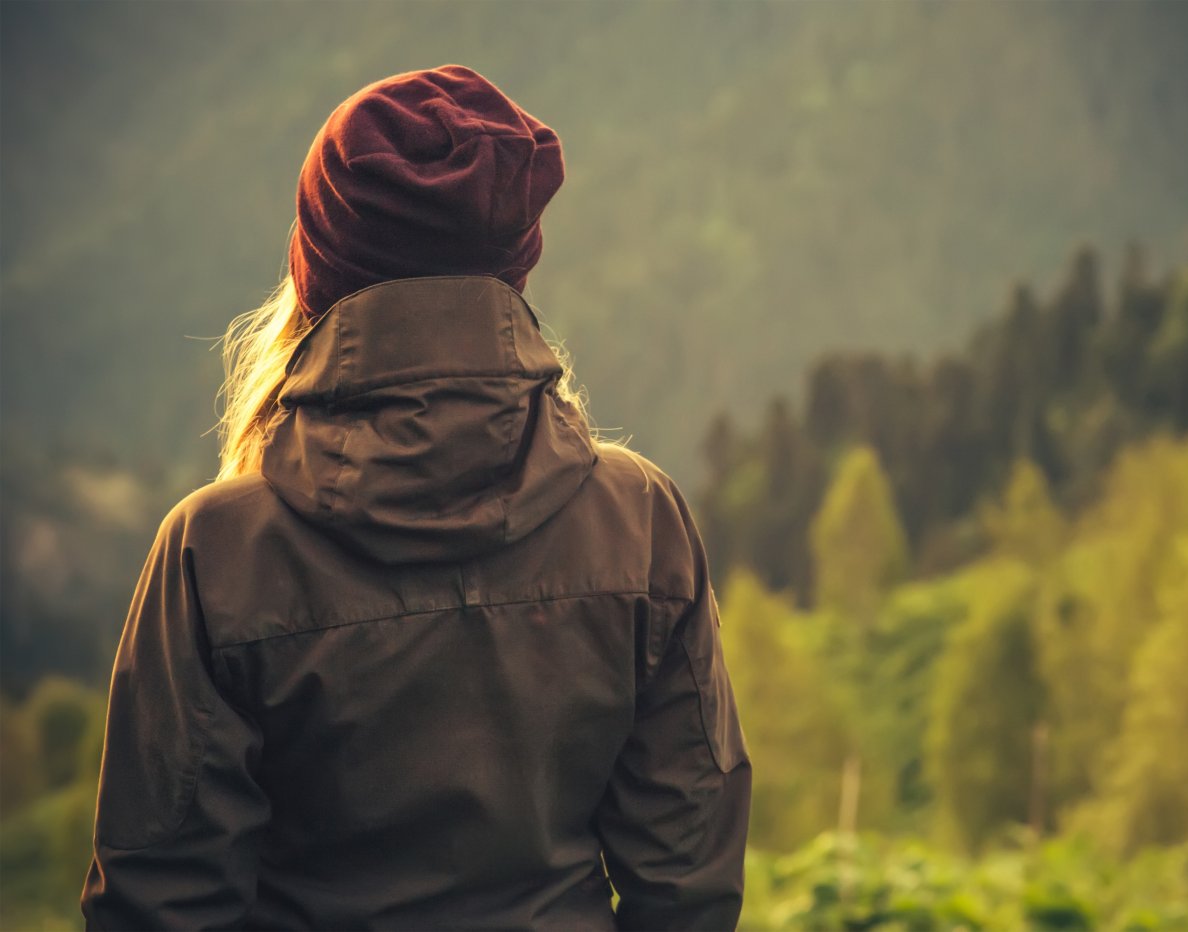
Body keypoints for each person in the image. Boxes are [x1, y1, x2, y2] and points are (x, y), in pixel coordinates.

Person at [80, 65, 751, 931]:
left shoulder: (215, 551)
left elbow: (159, 905)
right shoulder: (639, 520)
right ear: (515, 263)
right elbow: (688, 888)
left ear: (317, 273)